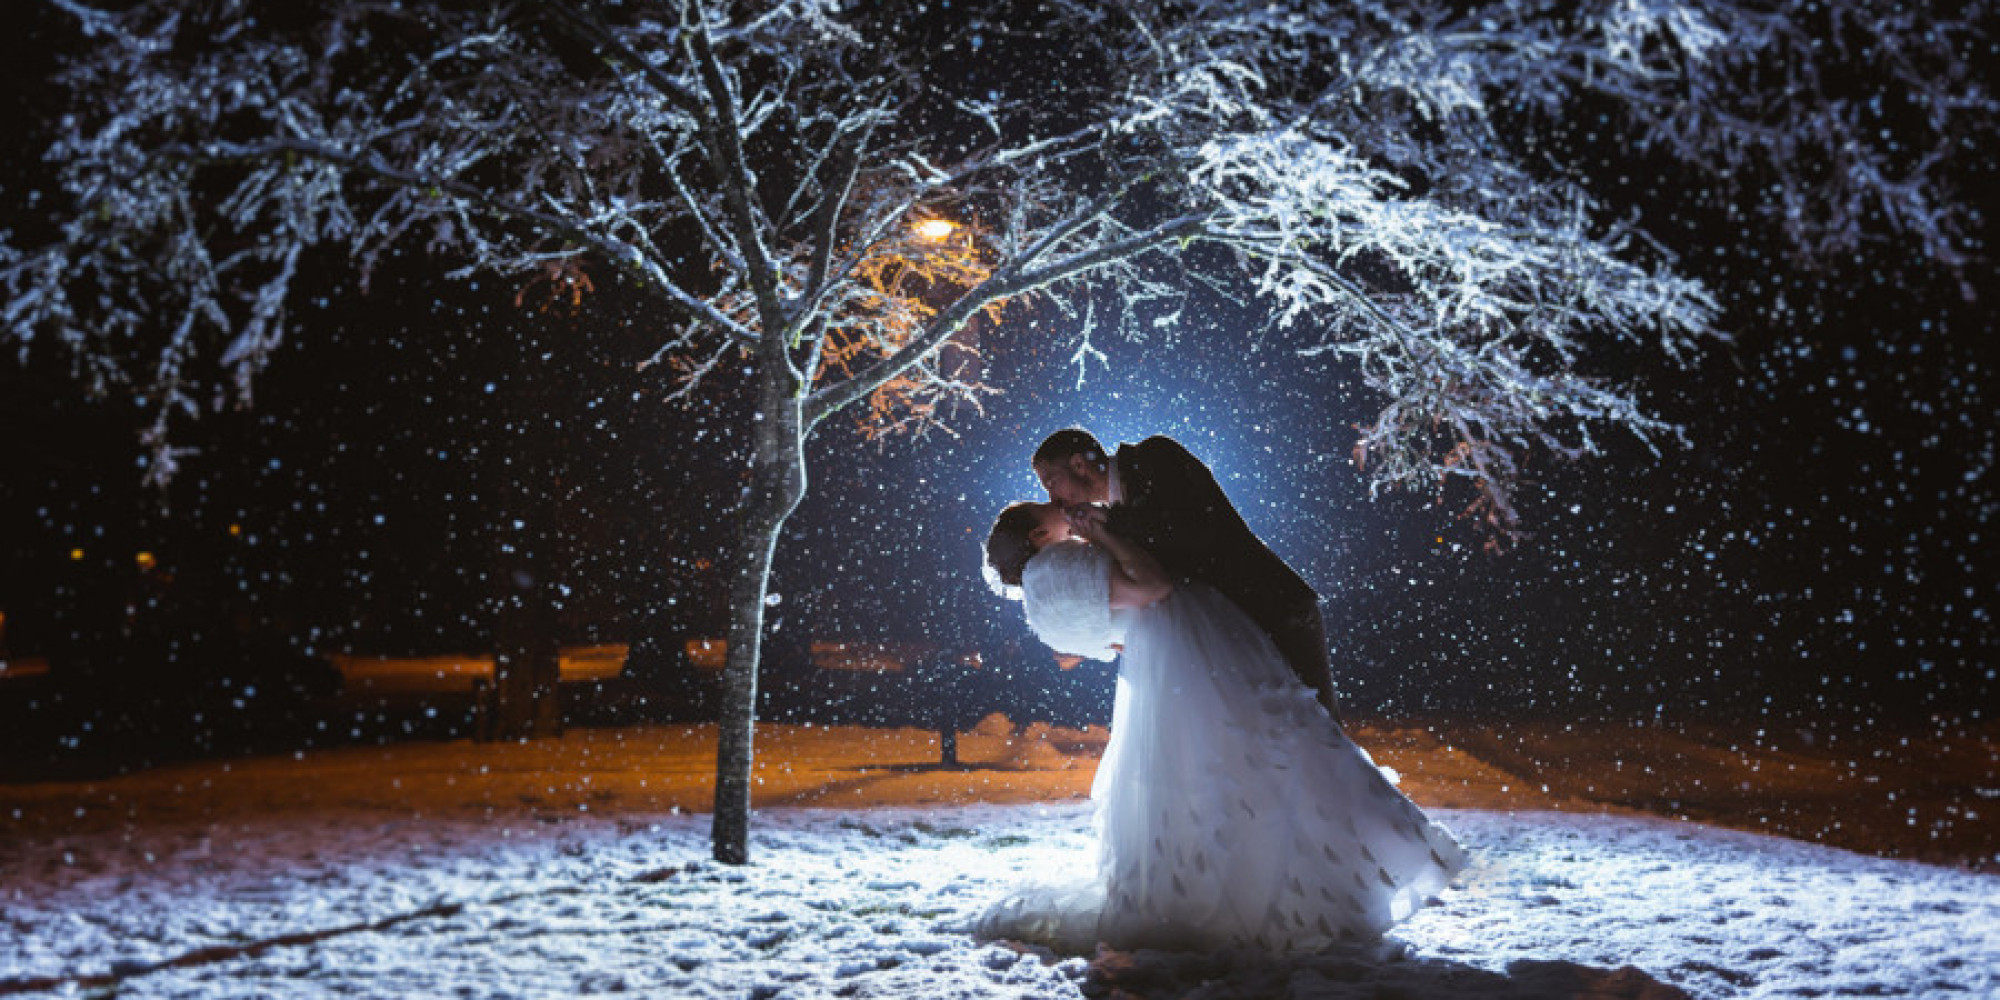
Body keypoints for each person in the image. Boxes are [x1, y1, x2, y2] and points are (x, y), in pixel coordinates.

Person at [976, 501, 1466, 954]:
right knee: (1264, 756)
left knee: (1211, 776)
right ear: (1040, 533)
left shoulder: (1038, 602)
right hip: (1193, 661)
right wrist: (1110, 539)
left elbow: (1109, 642)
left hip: (1160, 678)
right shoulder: (1058, 568)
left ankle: (1250, 884)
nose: (1060, 507)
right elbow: (1154, 588)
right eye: (1048, 507)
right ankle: (1311, 881)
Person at [1031, 427, 1339, 719]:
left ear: (1078, 464)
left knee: (1317, 728)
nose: (1053, 499)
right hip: (1235, 633)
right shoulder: (1112, 517)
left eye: (1052, 482)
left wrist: (1114, 522)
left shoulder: (1153, 456)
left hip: (1274, 608)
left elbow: (1195, 530)